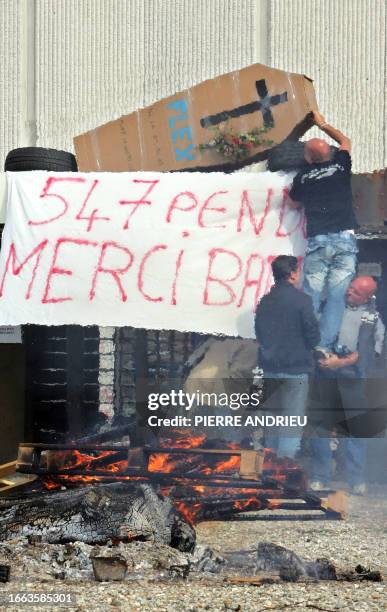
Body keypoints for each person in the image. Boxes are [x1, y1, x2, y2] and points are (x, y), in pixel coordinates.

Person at [289, 110, 358, 352]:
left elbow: (293, 203)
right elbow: (345, 142)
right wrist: (322, 124)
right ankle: (323, 345)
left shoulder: (303, 177)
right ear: (329, 152)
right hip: (345, 240)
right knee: (337, 297)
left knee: (311, 295)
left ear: (308, 159)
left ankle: (304, 340)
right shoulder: (341, 165)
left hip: (319, 241)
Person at [309, 276, 385, 494]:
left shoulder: (374, 318)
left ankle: (356, 479)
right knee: (321, 426)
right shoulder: (331, 307)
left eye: (357, 293)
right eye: (350, 288)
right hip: (325, 376)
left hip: (353, 378)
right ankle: (319, 476)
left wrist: (341, 362)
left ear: (367, 297)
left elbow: (373, 351)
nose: (349, 293)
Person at [255, 255, 320, 458]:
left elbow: (259, 333)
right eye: (298, 271)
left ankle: (269, 472)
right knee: (291, 423)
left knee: (272, 424)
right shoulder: (302, 300)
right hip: (296, 369)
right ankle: (283, 472)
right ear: (292, 274)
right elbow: (313, 335)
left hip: (269, 368)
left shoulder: (264, 301)